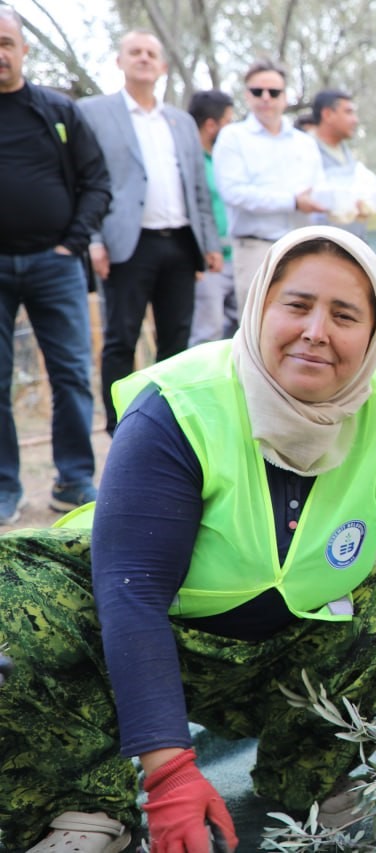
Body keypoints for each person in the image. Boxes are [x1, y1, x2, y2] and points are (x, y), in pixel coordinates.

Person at [0, 226, 376, 852]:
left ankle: (306, 777)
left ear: (372, 334)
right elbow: (135, 593)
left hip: (276, 652)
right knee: (13, 600)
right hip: (134, 639)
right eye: (297, 305)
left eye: (344, 315)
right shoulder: (179, 408)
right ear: (258, 308)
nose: (316, 331)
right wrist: (169, 770)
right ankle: (86, 804)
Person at [79, 31, 222, 436]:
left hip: (179, 242)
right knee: (120, 338)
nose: (143, 58)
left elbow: (197, 185)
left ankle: (168, 424)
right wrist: (93, 240)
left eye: (151, 53)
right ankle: (119, 426)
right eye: (134, 52)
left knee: (176, 341)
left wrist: (208, 243)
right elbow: (85, 180)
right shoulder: (95, 113)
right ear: (119, 62)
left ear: (162, 66)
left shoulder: (180, 121)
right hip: (127, 244)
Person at [0, 5, 110, 522]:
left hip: (56, 263)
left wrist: (73, 242)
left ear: (23, 49)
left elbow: (97, 181)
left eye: (5, 43)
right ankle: (4, 487)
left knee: (71, 374)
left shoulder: (58, 111)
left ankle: (74, 481)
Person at [213, 58, 326, 313]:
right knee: (257, 328)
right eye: (257, 91)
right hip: (255, 249)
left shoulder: (304, 142)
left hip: (302, 248)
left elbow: (319, 190)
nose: (266, 97)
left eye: (274, 92)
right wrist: (293, 201)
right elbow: (234, 193)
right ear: (247, 95)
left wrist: (341, 205)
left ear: (285, 97)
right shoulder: (233, 137)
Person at [186, 89, 239, 346]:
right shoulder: (188, 163)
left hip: (236, 258)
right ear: (210, 125)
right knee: (207, 333)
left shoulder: (224, 161)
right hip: (206, 264)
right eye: (228, 122)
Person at [310, 88, 376, 239]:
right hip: (319, 248)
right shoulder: (306, 152)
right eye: (348, 112)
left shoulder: (349, 156)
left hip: (353, 245)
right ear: (327, 114)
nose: (355, 120)